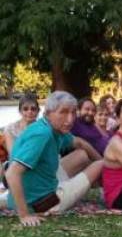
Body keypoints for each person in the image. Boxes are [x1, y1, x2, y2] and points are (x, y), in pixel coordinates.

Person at [5, 91, 103, 226]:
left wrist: (99, 158)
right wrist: (25, 215)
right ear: (48, 113)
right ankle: (111, 192)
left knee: (82, 155)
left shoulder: (52, 127)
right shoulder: (42, 134)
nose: (70, 119)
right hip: (44, 203)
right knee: (101, 165)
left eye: (73, 112)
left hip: (42, 183)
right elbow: (12, 173)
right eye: (63, 112)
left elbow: (80, 143)